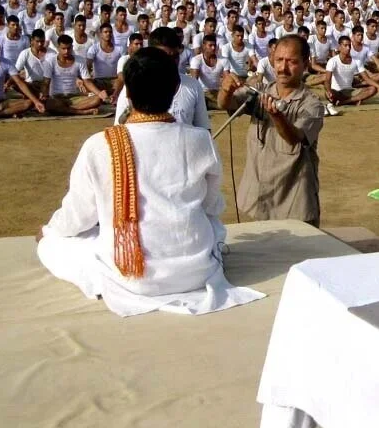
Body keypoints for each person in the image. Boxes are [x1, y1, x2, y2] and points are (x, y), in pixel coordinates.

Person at [36, 46, 262, 317]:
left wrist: (49, 232)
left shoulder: (100, 145)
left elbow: (78, 217)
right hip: (196, 269)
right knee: (213, 228)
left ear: (127, 93)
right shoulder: (200, 140)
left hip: (133, 277)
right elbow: (212, 206)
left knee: (54, 243)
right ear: (175, 90)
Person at [217, 34, 325, 225]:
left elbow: (295, 138)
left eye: (291, 62)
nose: (283, 68)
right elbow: (225, 104)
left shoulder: (312, 104)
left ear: (304, 63)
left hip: (293, 199)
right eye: (279, 60)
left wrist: (277, 116)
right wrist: (226, 90)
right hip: (259, 197)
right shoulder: (260, 91)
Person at [114, 27, 210, 129]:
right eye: (165, 57)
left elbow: (204, 130)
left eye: (175, 56)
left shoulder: (193, 86)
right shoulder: (134, 87)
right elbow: (119, 128)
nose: (171, 62)